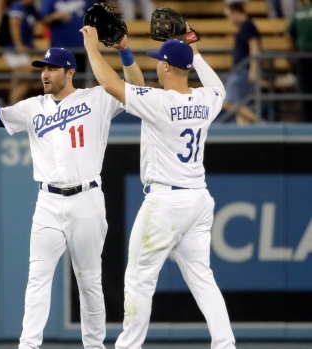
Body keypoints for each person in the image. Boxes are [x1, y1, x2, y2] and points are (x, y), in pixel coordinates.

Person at [0, 39, 145, 347]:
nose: (45, 74)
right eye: (43, 69)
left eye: (52, 68)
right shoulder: (33, 107)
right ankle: (29, 344)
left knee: (90, 282)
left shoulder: (97, 97)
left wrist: (124, 52)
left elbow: (136, 86)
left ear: (70, 72)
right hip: (48, 202)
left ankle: (94, 345)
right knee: (37, 277)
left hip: (87, 199)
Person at [79, 24, 237, 349]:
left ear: (165, 66)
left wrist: (93, 48)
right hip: (197, 201)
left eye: (157, 61)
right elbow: (220, 88)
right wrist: (197, 53)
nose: (155, 65)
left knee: (138, 281)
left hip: (165, 204)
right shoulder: (205, 99)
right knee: (203, 280)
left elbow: (110, 84)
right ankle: (225, 344)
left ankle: (127, 347)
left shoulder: (160, 103)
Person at [222, 1, 261, 124]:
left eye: (229, 16)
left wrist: (253, 70)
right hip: (241, 70)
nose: (230, 20)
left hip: (243, 71)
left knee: (229, 103)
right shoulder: (245, 27)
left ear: (235, 12)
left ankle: (262, 123)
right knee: (241, 108)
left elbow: (255, 48)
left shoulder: (248, 26)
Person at [39, 0, 93, 79]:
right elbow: (43, 20)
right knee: (60, 78)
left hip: (81, 46)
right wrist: (55, 16)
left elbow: (93, 16)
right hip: (60, 47)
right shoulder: (50, 1)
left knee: (83, 78)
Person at [4, 0, 39, 105]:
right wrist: (19, 45)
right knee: (24, 81)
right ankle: (12, 108)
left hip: (25, 50)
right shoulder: (18, 6)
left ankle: (11, 108)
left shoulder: (30, 9)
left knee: (19, 82)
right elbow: (14, 24)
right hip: (15, 52)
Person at [285, 0, 312, 122]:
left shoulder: (299, 12)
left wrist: (293, 50)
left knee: (305, 89)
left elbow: (288, 35)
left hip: (303, 55)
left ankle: (307, 119)